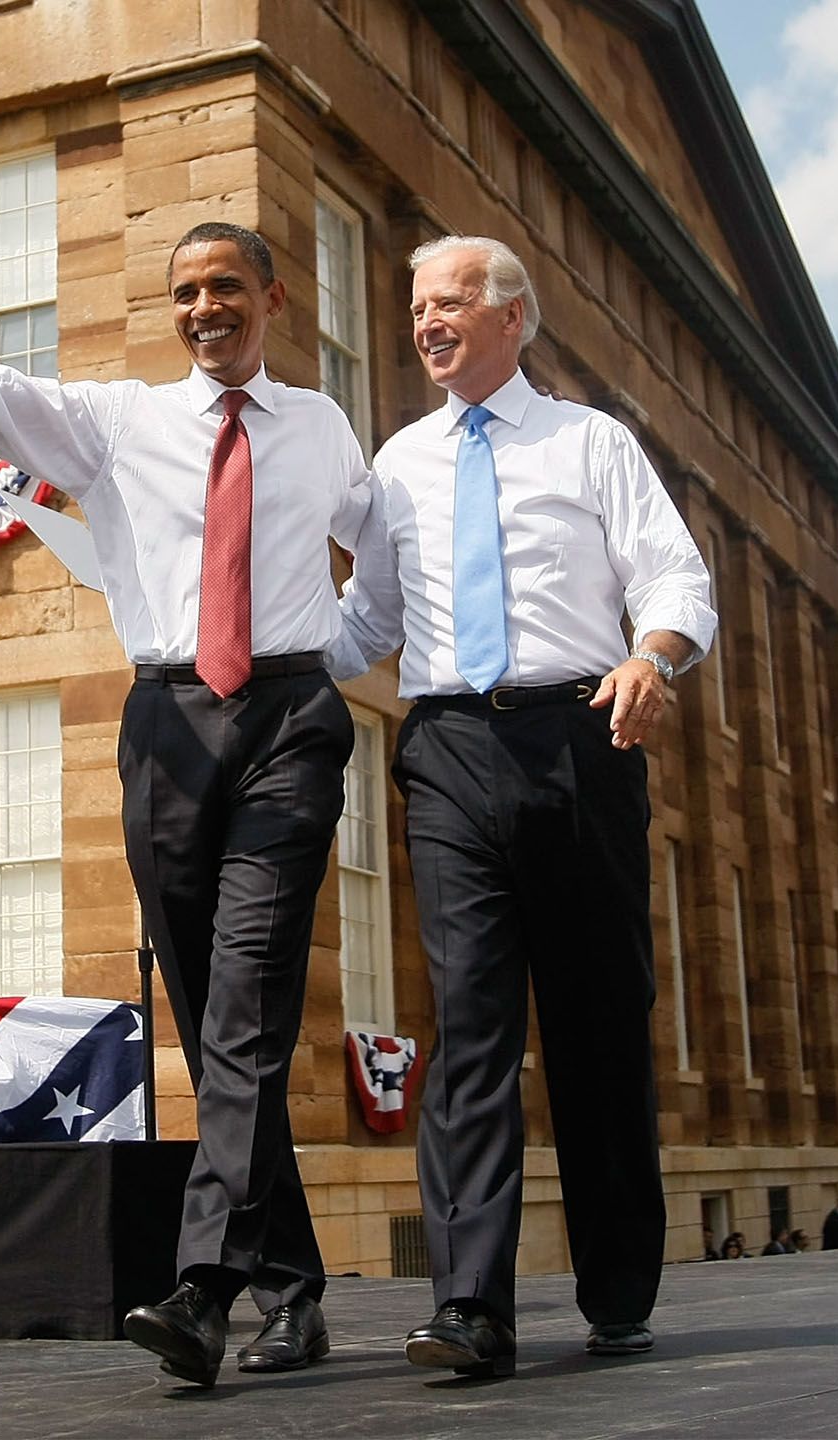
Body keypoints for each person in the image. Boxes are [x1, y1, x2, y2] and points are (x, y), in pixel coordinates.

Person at [0, 117, 370, 1389]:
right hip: (167, 728)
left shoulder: (322, 427)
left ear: (271, 300)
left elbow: (388, 552)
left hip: (288, 723)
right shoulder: (116, 424)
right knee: (216, 1022)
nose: (204, 310)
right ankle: (293, 1291)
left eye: (225, 288)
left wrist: (341, 652)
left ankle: (201, 1291)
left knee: (245, 1001)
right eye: (185, 292)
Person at [327, 234, 715, 1376]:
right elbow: (368, 622)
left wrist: (652, 656)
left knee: (598, 1023)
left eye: (448, 302)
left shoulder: (591, 442)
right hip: (448, 747)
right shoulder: (399, 463)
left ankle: (618, 1289)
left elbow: (675, 575)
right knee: (469, 1025)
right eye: (416, 307)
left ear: (512, 317)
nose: (425, 323)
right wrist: (261, 656)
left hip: (579, 736)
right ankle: (469, 1309)